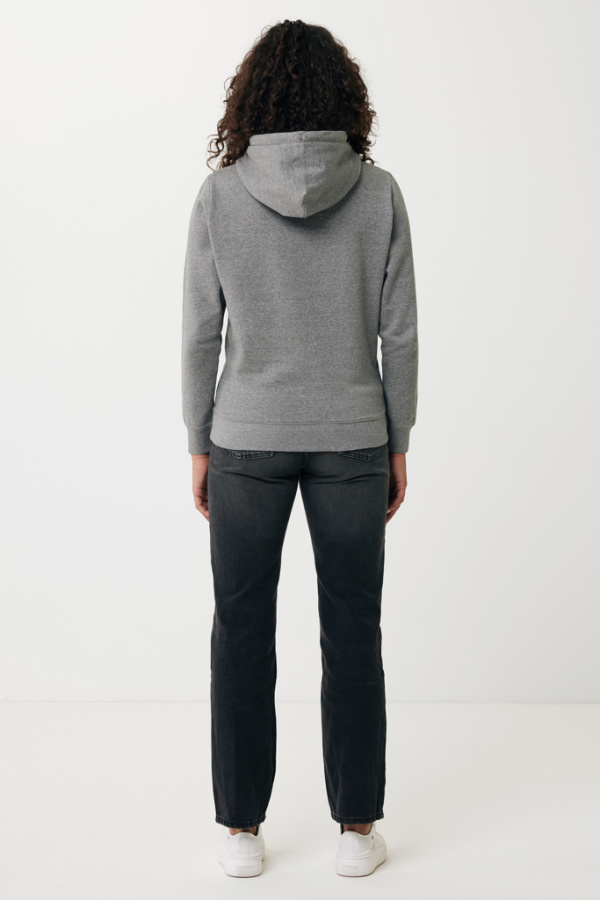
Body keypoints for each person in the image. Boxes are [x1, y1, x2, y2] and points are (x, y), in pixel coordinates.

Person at [181, 19, 418, 878]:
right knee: (353, 631)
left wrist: (199, 440)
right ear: (345, 98)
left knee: (240, 628)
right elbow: (400, 334)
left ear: (251, 99)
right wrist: (398, 439)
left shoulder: (220, 195)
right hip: (355, 438)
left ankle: (242, 832)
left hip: (245, 438)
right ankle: (357, 830)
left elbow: (201, 332)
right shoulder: (379, 192)